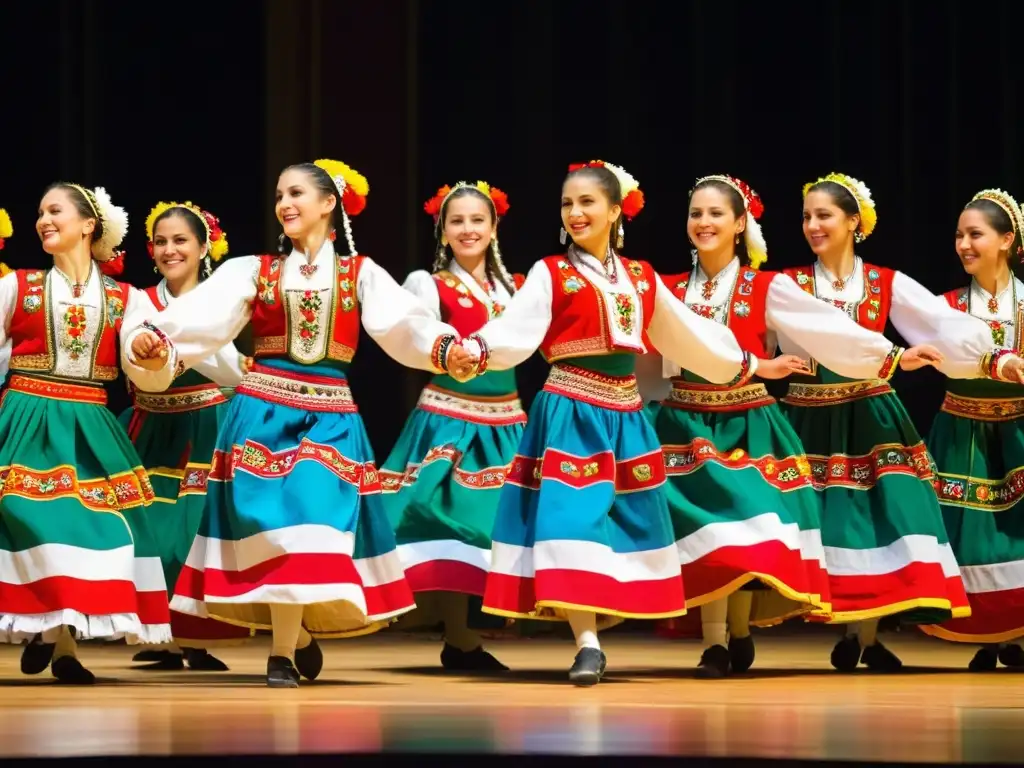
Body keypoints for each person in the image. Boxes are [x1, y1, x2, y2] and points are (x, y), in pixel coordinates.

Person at [125, 158, 468, 688]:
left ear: (329, 203)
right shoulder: (251, 271)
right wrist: (155, 340)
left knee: (310, 525)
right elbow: (201, 319)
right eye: (279, 195)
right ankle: (292, 641)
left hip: (330, 417)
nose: (284, 203)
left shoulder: (361, 275)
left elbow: (405, 326)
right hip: (260, 414)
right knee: (272, 529)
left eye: (296, 193)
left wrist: (446, 348)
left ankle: (283, 650)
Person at [441, 160, 758, 685]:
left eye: (588, 203)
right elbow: (517, 327)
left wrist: (738, 364)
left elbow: (687, 335)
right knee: (569, 520)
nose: (576, 213)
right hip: (569, 410)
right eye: (567, 204)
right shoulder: (551, 271)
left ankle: (603, 622)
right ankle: (586, 643)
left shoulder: (641, 276)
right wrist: (476, 348)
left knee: (628, 524)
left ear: (615, 210)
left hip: (627, 416)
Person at [647, 174, 952, 678]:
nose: (704, 223)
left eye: (716, 214)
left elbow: (825, 329)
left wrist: (892, 355)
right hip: (686, 420)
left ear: (740, 223)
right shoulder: (670, 287)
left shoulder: (767, 286)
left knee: (748, 525)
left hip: (747, 420)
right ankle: (716, 642)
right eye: (696, 214)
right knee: (707, 531)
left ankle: (746, 633)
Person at [782, 172, 1024, 672]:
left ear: (854, 222)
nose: (812, 225)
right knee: (836, 523)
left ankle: (874, 634)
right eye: (807, 216)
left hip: (884, 416)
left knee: (887, 520)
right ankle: (854, 634)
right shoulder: (787, 284)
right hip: (819, 416)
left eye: (823, 215)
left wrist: (992, 361)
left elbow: (943, 331)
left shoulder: (885, 283)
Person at [0, 182, 173, 684]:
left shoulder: (126, 297)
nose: (43, 220)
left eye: (54, 210)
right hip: (28, 417)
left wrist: (148, 348)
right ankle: (54, 632)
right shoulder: (19, 287)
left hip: (91, 425)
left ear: (87, 224)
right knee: (34, 514)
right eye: (40, 212)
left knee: (91, 525)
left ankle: (62, 642)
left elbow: (145, 355)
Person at [382, 180, 521, 671]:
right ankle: (460, 637)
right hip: (447, 416)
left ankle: (467, 636)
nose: (467, 230)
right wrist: (446, 349)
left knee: (497, 521)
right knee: (447, 520)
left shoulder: (517, 288)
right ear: (442, 230)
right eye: (456, 221)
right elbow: (413, 332)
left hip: (507, 418)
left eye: (476, 220)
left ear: (493, 227)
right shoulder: (428, 284)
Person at [122, 200, 253, 671]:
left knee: (195, 537)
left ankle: (193, 637)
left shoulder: (226, 302)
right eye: (161, 241)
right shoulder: (140, 300)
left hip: (206, 428)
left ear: (203, 248)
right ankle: (163, 635)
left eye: (181, 241)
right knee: (148, 535)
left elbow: (233, 369)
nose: (169, 250)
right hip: (150, 426)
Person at [920, 189, 1024, 669]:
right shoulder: (945, 305)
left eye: (975, 234)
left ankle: (1016, 636)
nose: (963, 244)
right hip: (963, 432)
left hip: (1018, 432)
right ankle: (989, 636)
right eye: (959, 235)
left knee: (1016, 534)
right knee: (972, 536)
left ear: (1006, 241)